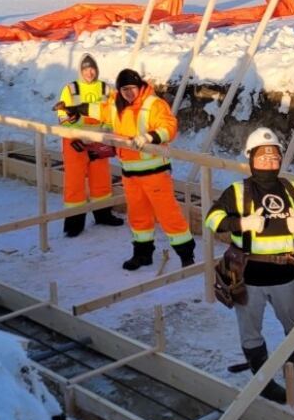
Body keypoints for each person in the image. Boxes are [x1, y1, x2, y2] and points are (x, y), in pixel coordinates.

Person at [205, 127, 294, 404]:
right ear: (251, 159)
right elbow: (212, 220)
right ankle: (264, 382)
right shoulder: (237, 192)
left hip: (286, 274)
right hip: (248, 277)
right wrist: (240, 223)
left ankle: (292, 364)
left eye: (274, 158)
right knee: (250, 331)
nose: (269, 163)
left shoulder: (291, 189)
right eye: (263, 157)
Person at [63, 68, 195, 270]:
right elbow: (98, 110)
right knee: (137, 214)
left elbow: (169, 126)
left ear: (140, 86)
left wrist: (150, 137)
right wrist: (76, 110)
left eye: (132, 88)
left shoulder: (154, 104)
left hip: (155, 173)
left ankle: (186, 256)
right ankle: (142, 254)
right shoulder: (116, 105)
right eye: (124, 90)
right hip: (130, 173)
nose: (129, 93)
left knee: (168, 214)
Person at [55, 53, 123, 237]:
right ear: (80, 70)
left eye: (92, 68)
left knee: (101, 178)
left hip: (98, 140)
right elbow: (62, 116)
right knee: (74, 181)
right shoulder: (70, 89)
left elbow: (113, 112)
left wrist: (107, 132)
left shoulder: (106, 89)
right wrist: (76, 136)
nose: (89, 72)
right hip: (74, 141)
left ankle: (103, 215)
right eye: (85, 69)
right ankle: (74, 224)